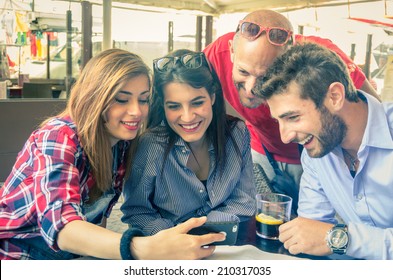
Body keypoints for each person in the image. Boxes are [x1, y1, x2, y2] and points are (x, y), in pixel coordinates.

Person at [0, 48, 225, 260]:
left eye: (144, 99)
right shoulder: (58, 136)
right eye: (121, 99)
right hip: (17, 256)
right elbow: (62, 226)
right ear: (94, 97)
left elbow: (98, 221)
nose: (137, 111)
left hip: (71, 260)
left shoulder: (123, 143)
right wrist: (144, 247)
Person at [203, 9, 381, 196]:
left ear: (288, 60)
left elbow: (372, 111)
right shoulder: (218, 52)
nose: (251, 89)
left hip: (321, 153)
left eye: (265, 77)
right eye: (243, 72)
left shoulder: (317, 60)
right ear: (232, 51)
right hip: (263, 150)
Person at [252, 43, 393, 260]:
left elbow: (327, 237)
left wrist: (342, 239)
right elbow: (313, 232)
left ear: (335, 96)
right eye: (279, 120)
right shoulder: (316, 150)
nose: (285, 137)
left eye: (293, 117)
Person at [121, 49, 256, 236]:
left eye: (197, 102)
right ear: (163, 107)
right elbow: (137, 212)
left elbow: (243, 202)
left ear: (213, 97)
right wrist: (176, 236)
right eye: (174, 106)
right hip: (169, 250)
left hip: (226, 244)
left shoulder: (237, 134)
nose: (187, 117)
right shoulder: (149, 145)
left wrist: (201, 230)